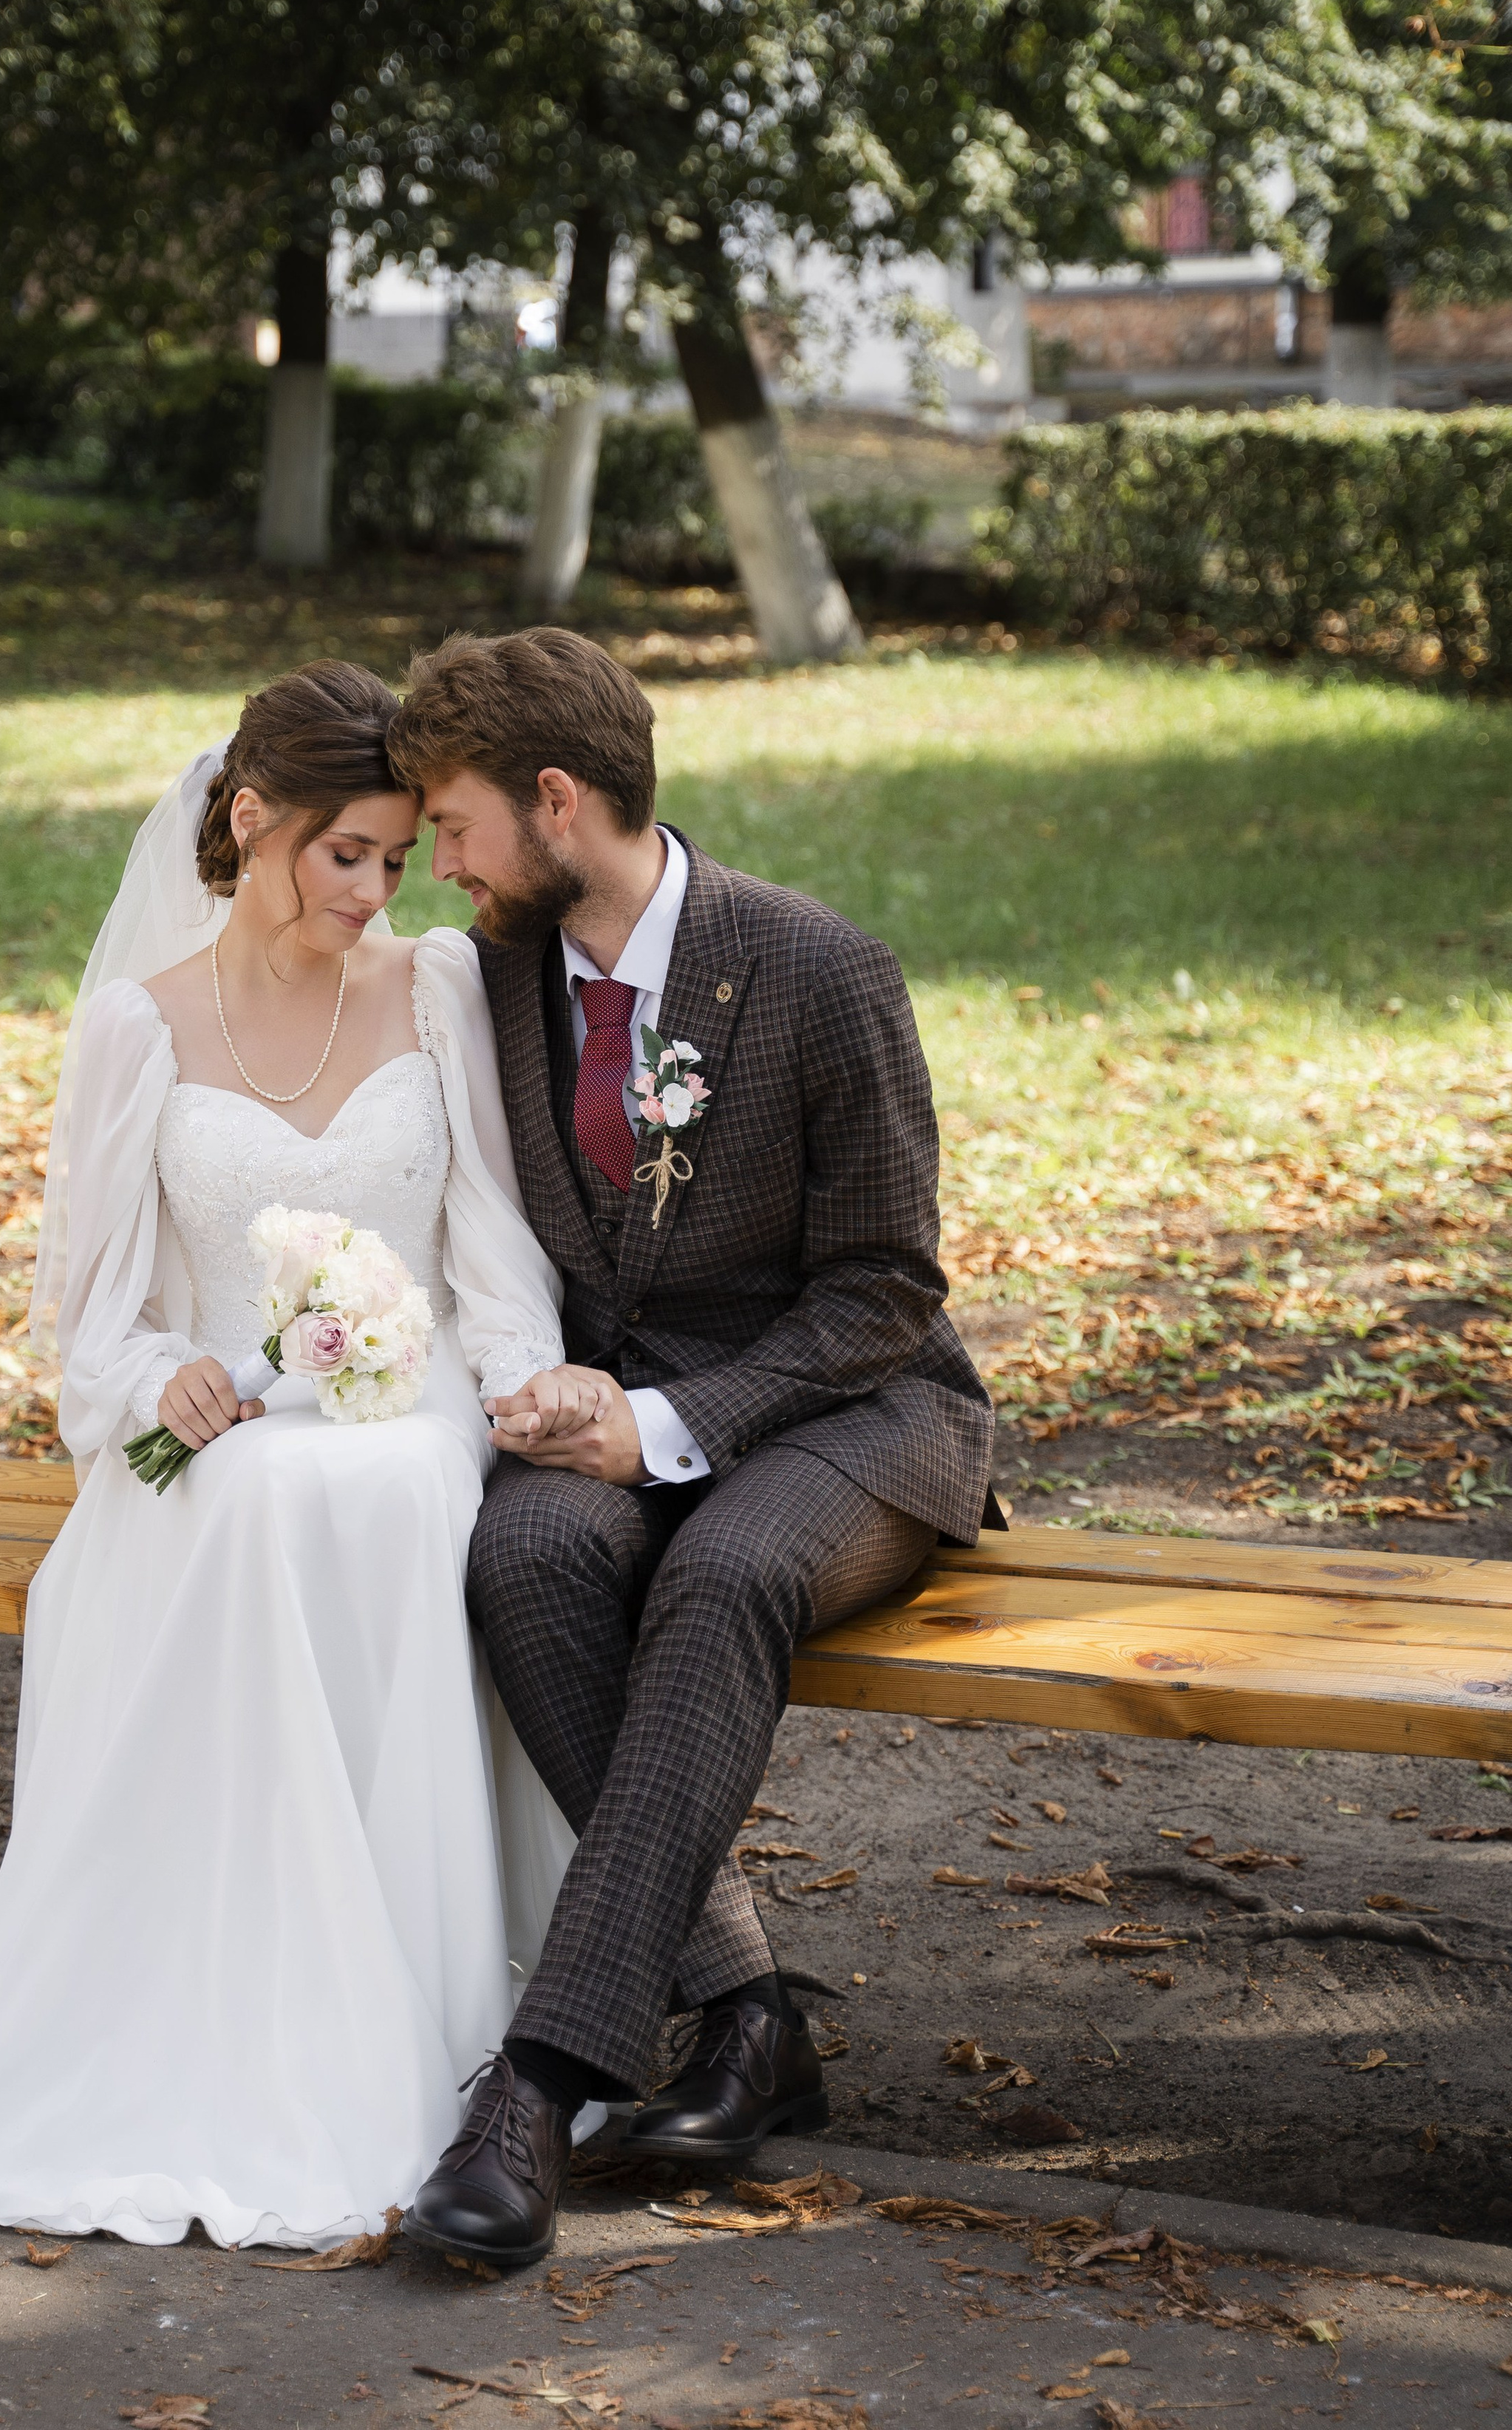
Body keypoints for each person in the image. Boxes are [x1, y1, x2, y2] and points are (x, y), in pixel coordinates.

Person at [0, 661, 592, 2251]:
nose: (372, 891)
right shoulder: (137, 1030)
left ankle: (420, 1994)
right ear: (251, 823)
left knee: (384, 1483)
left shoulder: (433, 987)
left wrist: (519, 1382)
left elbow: (488, 1242)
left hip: (409, 1392)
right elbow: (94, 1328)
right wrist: (168, 1387)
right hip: (227, 1396)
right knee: (257, 1495)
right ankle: (242, 1986)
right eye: (343, 853)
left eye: (390, 857)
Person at [386, 628, 998, 2272]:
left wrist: (662, 1424)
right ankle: (746, 2017)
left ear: (557, 801)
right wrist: (567, 1399)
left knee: (721, 1570)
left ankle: (531, 2087)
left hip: (848, 1416)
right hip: (612, 1418)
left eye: (452, 825)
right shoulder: (493, 974)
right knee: (518, 1554)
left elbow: (886, 1289)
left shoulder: (816, 968)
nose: (438, 861)